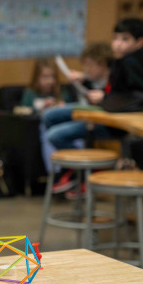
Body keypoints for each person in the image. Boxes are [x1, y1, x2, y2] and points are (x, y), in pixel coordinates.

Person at [41, 43, 114, 191]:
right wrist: (82, 79)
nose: (86, 69)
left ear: (103, 65)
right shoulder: (89, 78)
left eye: (89, 65)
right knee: (49, 116)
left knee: (53, 136)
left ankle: (79, 170)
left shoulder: (115, 79)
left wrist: (104, 97)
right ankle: (76, 168)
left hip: (104, 120)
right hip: (89, 114)